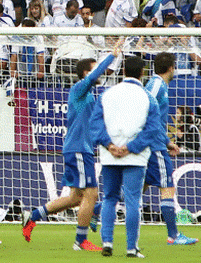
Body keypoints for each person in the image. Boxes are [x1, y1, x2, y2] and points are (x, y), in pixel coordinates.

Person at [22, 40, 123, 251]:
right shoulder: (79, 89)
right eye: (95, 68)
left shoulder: (89, 96)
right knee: (91, 194)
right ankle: (80, 240)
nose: (99, 73)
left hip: (80, 148)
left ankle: (34, 215)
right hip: (78, 149)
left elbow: (93, 125)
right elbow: (95, 76)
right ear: (86, 72)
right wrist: (111, 56)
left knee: (76, 197)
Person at [90, 55, 163, 258]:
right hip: (135, 156)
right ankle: (131, 247)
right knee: (132, 201)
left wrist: (110, 145)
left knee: (109, 198)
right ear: (142, 73)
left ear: (122, 71)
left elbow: (95, 123)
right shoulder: (148, 97)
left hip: (110, 155)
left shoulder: (107, 94)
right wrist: (131, 147)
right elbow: (153, 129)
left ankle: (107, 242)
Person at [144, 52, 199, 245]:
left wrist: (167, 141)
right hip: (154, 146)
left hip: (155, 142)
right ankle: (173, 235)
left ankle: (97, 209)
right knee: (167, 186)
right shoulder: (156, 84)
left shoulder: (159, 85)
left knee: (139, 187)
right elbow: (145, 108)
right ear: (171, 68)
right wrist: (161, 141)